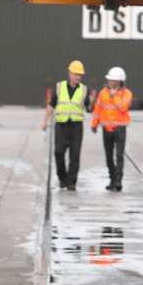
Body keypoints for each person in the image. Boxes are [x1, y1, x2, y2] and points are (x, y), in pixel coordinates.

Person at [41, 60, 95, 190]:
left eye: (80, 75)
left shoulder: (84, 90)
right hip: (61, 125)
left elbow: (89, 109)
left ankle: (71, 182)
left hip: (76, 126)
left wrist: (92, 103)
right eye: (76, 74)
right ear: (70, 74)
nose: (78, 77)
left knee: (74, 155)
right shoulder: (59, 87)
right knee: (58, 152)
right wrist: (45, 121)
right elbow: (51, 105)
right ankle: (62, 178)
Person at [91, 67, 132, 191]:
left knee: (119, 156)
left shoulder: (127, 93)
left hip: (120, 130)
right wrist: (94, 124)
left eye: (113, 80)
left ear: (119, 81)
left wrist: (115, 97)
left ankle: (118, 181)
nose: (111, 83)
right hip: (106, 130)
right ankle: (112, 179)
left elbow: (123, 108)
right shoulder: (103, 92)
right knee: (108, 157)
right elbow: (98, 109)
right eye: (110, 80)